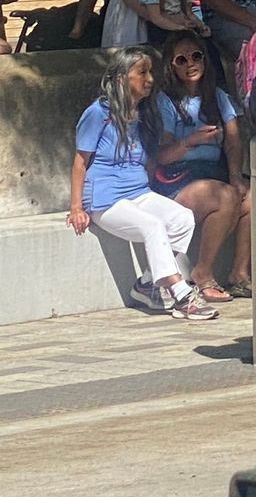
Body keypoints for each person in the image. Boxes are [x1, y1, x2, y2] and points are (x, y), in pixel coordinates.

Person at [69, 49, 218, 319]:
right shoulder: (98, 113)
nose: (149, 79)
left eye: (150, 72)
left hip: (138, 192)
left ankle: (147, 283)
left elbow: (148, 161)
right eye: (142, 73)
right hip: (105, 199)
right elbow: (80, 161)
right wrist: (76, 208)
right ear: (120, 79)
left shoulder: (142, 113)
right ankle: (181, 294)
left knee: (182, 219)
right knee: (153, 225)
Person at [145, 37, 247, 301]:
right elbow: (163, 155)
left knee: (252, 198)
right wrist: (191, 141)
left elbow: (234, 141)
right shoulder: (167, 101)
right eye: (181, 60)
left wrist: (236, 175)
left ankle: (239, 274)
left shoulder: (218, 96)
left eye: (196, 56)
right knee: (225, 196)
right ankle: (203, 273)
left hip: (212, 173)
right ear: (172, 66)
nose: (190, 63)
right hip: (177, 177)